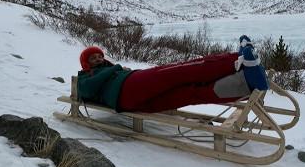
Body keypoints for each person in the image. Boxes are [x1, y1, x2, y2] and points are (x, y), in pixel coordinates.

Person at [76, 36, 270, 113]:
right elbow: (85, 89)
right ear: (86, 64)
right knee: (180, 71)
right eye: (92, 59)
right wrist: (115, 68)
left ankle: (247, 82)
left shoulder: (109, 71)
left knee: (190, 94)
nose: (98, 59)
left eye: (99, 56)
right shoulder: (86, 77)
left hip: (129, 103)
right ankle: (237, 59)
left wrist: (115, 69)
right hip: (128, 87)